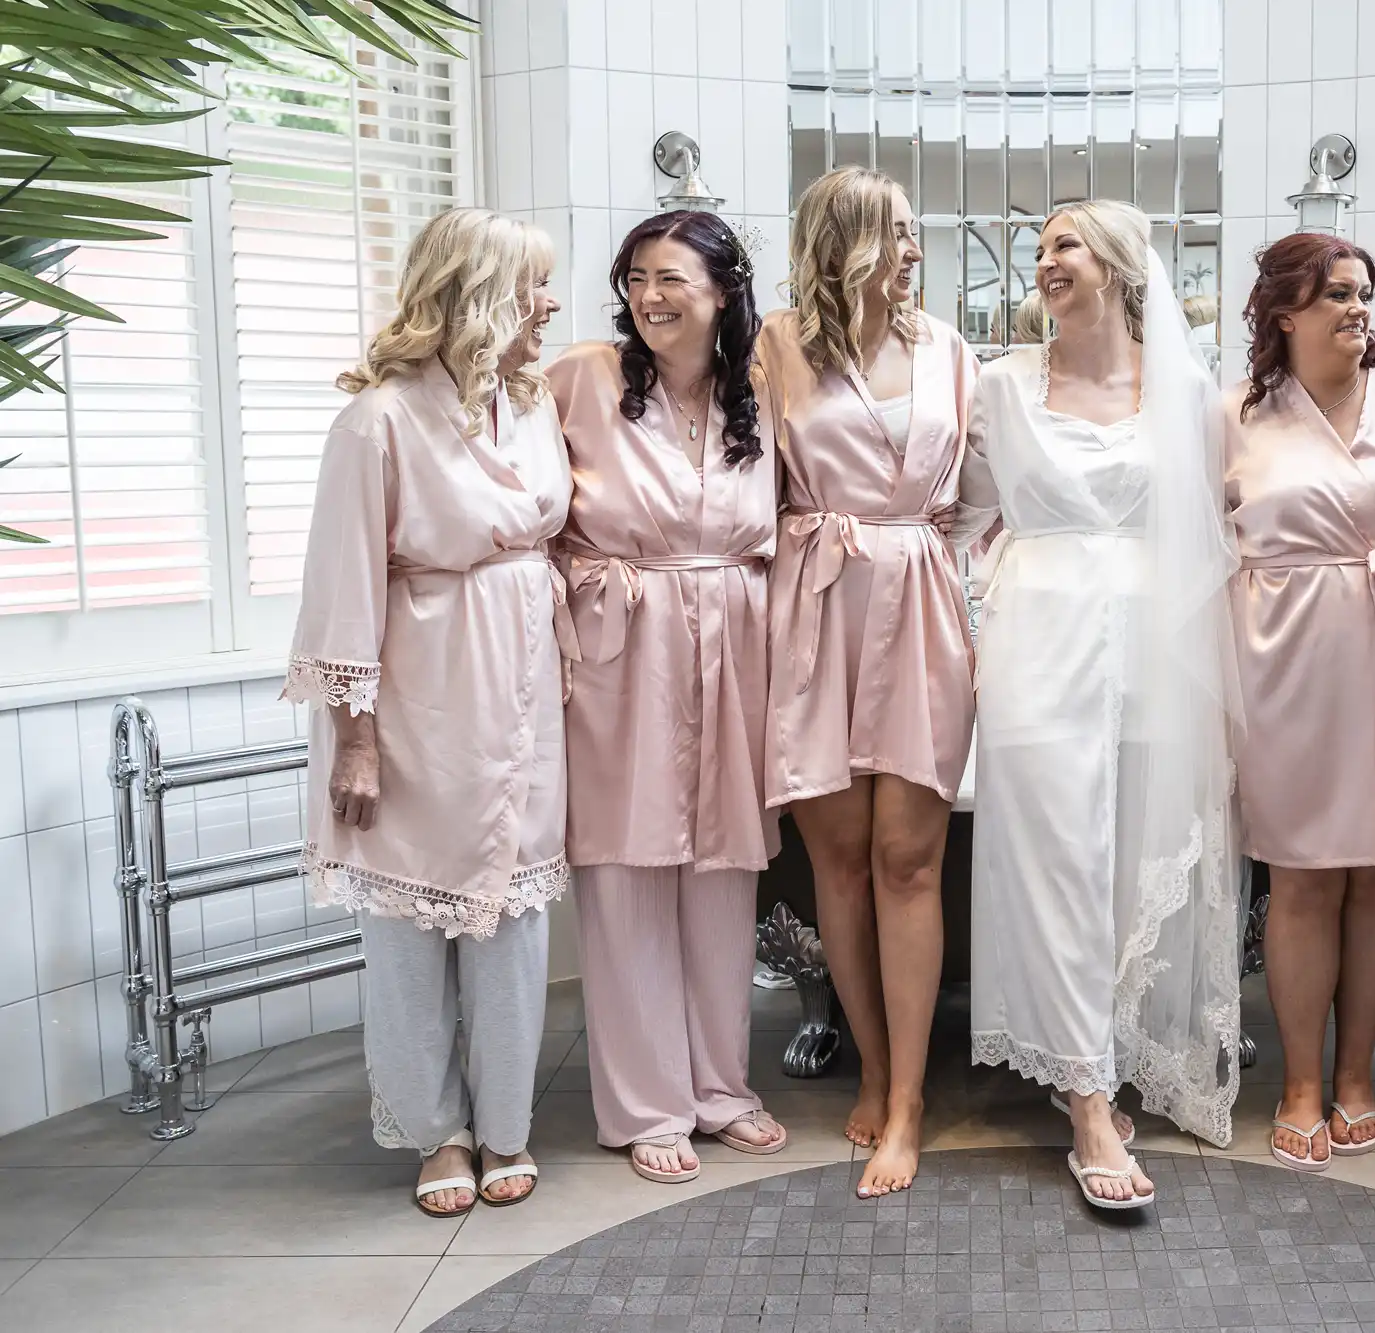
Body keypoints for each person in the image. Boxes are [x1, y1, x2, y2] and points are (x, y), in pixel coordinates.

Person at [957, 200, 1242, 1211]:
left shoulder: (1186, 390)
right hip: (1037, 639)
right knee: (1054, 861)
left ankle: (1115, 1055)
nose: (1044, 262)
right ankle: (1083, 1099)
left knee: (1127, 868)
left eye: (1063, 246)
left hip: (1153, 654)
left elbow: (1209, 535)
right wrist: (975, 626)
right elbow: (960, 520)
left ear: (1120, 267)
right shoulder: (994, 386)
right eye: (1036, 250)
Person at [283, 206, 567, 1216]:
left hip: (525, 693)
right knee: (409, 925)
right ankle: (431, 1130)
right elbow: (341, 586)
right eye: (534, 284)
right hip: (418, 699)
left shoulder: (529, 405)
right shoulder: (377, 420)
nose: (551, 302)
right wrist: (354, 739)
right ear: (479, 294)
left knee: (513, 917)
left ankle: (505, 1127)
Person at [546, 211, 786, 1185]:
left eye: (673, 277)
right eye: (637, 276)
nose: (651, 295)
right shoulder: (582, 379)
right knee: (627, 869)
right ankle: (648, 1101)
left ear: (723, 290)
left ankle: (720, 1086)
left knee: (723, 873)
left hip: (734, 639)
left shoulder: (757, 396)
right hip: (621, 638)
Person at [756, 166, 979, 1199]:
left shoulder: (949, 351)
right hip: (814, 605)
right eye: (896, 230)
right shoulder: (775, 347)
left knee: (907, 858)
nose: (913, 248)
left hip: (922, 601)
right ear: (844, 240)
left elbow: (978, 500)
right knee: (836, 858)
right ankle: (877, 1062)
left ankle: (906, 1104)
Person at [1226, 232, 1375, 1169]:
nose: (1359, 311)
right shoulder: (1235, 414)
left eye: (1365, 295)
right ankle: (1302, 1081)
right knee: (1304, 874)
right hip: (1285, 662)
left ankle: (1355, 1074)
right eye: (1337, 297)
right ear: (1284, 312)